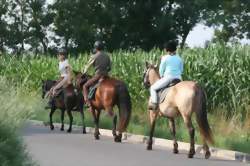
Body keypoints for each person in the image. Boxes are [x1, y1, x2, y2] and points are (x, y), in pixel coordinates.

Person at [149, 41, 184, 110]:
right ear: (175, 49)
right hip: (179, 78)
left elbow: (161, 70)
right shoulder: (179, 58)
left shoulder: (165, 58)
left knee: (153, 88)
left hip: (168, 78)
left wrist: (161, 76)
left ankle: (154, 104)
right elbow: (181, 70)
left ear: (167, 50)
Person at [83, 41, 111, 105]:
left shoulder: (94, 56)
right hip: (106, 76)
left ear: (96, 48)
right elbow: (109, 68)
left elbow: (87, 66)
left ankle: (87, 102)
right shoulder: (107, 56)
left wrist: (84, 72)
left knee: (85, 86)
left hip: (98, 75)